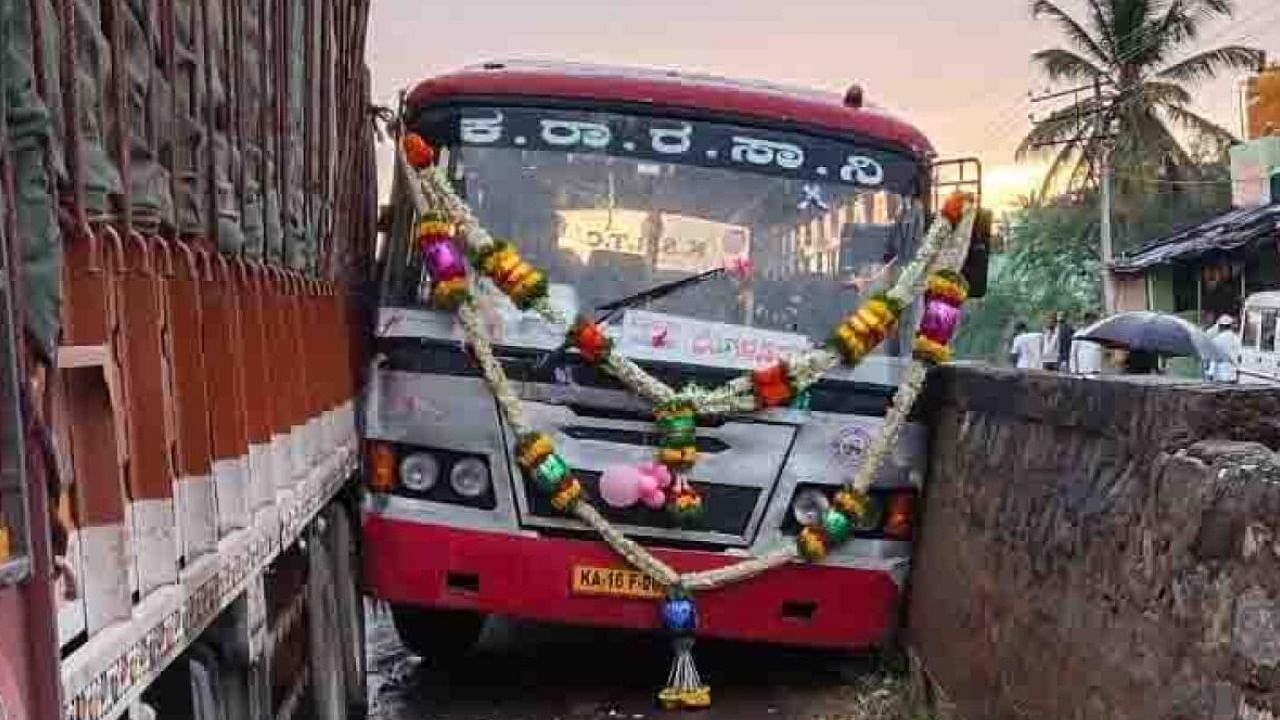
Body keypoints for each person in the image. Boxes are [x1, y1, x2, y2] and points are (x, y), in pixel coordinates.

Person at [1207, 314, 1241, 383]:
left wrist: (1210, 373)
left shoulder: (1217, 339)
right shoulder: (1236, 338)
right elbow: (1239, 357)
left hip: (1219, 376)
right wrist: (1238, 370)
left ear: (1220, 326)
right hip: (1232, 375)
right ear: (1230, 326)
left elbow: (1213, 358)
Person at [1070, 311, 1103, 375]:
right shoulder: (1078, 335)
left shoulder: (1099, 335)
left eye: (1095, 320)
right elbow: (1073, 354)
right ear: (1086, 320)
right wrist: (1074, 370)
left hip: (1096, 371)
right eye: (1092, 320)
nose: (1094, 323)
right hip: (1083, 371)